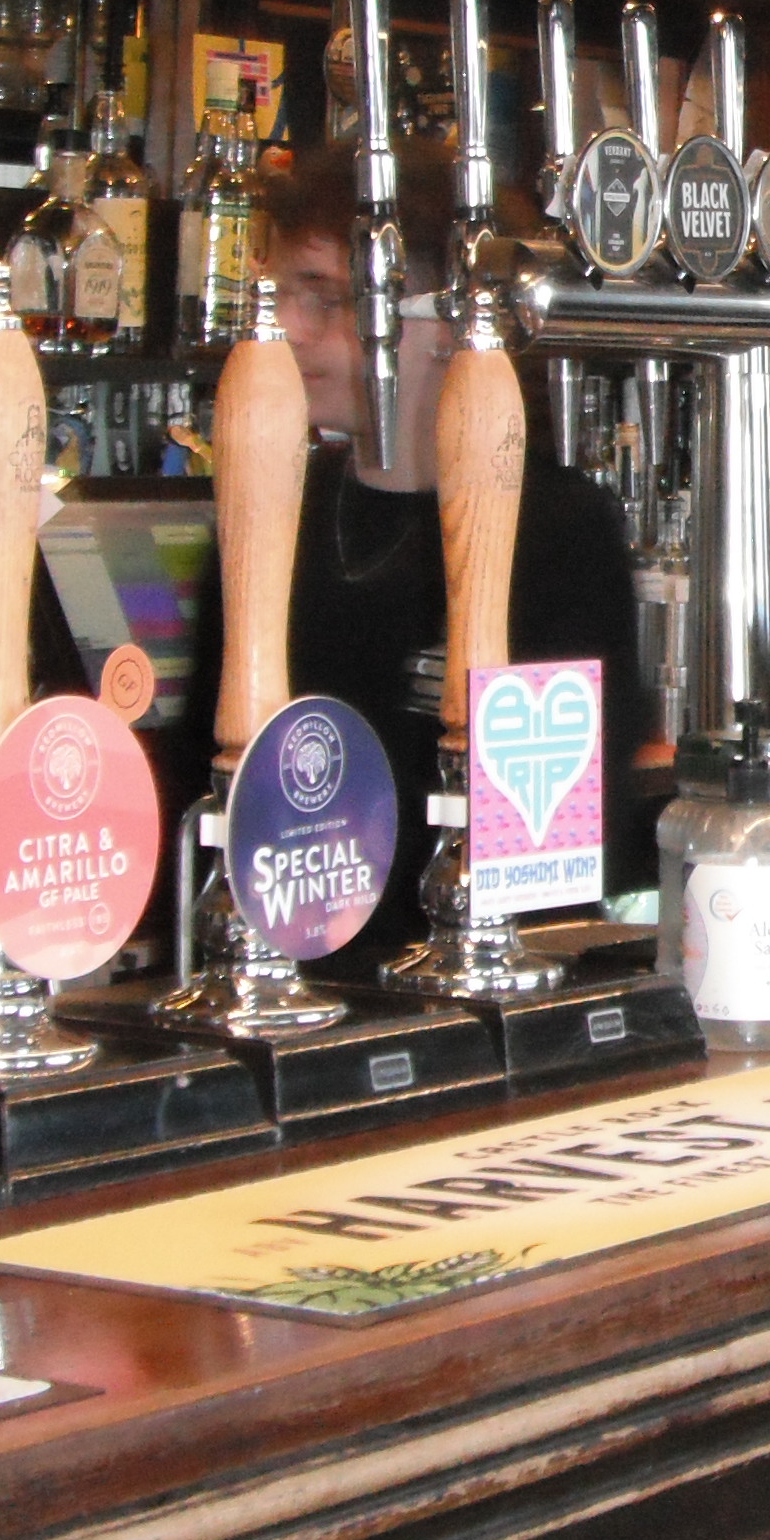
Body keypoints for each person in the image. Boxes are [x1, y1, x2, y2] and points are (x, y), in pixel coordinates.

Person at [261, 140, 652, 952]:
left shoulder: (553, 533)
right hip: (286, 983)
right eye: (283, 293)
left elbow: (556, 845)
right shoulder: (272, 505)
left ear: (448, 320)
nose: (291, 329)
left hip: (467, 986)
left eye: (328, 298)